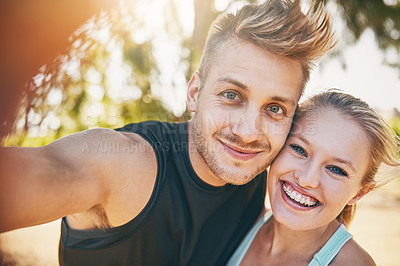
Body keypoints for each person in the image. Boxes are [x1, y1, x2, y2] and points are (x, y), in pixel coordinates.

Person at [0, 0, 337, 264]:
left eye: (275, 109)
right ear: (194, 92)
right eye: (232, 95)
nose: (249, 132)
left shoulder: (261, 176)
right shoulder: (126, 165)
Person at [227, 91, 400, 266]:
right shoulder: (240, 223)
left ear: (359, 193)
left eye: (336, 170)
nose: (306, 179)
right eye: (299, 149)